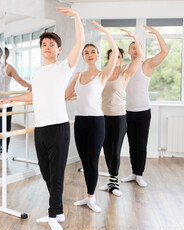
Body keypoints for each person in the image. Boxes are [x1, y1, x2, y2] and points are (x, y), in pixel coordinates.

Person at [0, 7, 85, 230]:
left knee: (56, 173)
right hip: (40, 128)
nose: (47, 47)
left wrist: (76, 17)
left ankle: (54, 213)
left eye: (51, 44)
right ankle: (58, 209)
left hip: (58, 127)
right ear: (41, 49)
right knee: (46, 173)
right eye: (44, 45)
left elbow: (81, 42)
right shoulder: (38, 73)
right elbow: (33, 96)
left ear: (59, 49)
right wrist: (11, 100)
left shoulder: (63, 67)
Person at [65, 21, 118, 212]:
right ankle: (88, 196)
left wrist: (105, 32)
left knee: (93, 160)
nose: (89, 55)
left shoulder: (103, 75)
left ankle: (91, 197)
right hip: (80, 122)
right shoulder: (78, 75)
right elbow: (65, 95)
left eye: (93, 52)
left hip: (97, 122)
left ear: (97, 56)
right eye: (86, 52)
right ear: (83, 56)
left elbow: (113, 53)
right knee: (85, 161)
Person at [121, 25, 169, 187]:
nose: (134, 50)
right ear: (128, 52)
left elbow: (165, 52)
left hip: (143, 112)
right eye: (132, 48)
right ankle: (134, 172)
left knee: (141, 144)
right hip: (128, 112)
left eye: (137, 47)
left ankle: (139, 174)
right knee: (132, 145)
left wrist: (156, 33)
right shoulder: (124, 68)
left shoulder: (147, 64)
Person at [99, 29, 143, 196]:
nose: (115, 59)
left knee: (115, 150)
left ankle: (114, 183)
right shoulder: (102, 75)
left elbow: (139, 57)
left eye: (118, 56)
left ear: (121, 59)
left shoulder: (125, 75)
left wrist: (134, 38)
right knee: (107, 151)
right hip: (102, 117)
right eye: (112, 56)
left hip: (118, 117)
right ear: (109, 59)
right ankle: (111, 180)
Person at [0, 37, 31, 160]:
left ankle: (5, 152)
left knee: (5, 127)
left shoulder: (8, 68)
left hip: (6, 101)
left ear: (1, 54)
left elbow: (19, 80)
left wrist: (30, 86)